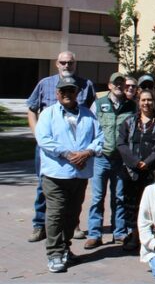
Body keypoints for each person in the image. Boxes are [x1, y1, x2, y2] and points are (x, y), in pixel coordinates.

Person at [35, 76, 103, 272]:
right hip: (56, 174)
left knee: (73, 215)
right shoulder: (48, 114)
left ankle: (65, 248)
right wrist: (67, 153)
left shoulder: (89, 115)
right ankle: (54, 253)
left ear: (77, 93)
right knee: (56, 214)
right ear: (57, 94)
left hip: (80, 175)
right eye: (63, 91)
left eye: (71, 91)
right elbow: (44, 140)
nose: (67, 94)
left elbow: (99, 138)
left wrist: (87, 152)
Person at [27, 50, 96, 243]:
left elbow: (91, 114)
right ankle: (39, 225)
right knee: (44, 186)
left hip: (77, 150)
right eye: (63, 63)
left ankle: (72, 225)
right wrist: (38, 135)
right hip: (49, 148)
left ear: (75, 64)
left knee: (74, 188)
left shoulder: (86, 85)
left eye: (70, 63)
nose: (67, 66)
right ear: (57, 64)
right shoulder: (45, 84)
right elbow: (31, 110)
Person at [85, 72, 137, 250]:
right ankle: (94, 234)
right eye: (116, 83)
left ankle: (119, 232)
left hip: (120, 159)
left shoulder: (131, 106)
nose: (119, 86)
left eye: (122, 83)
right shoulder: (99, 105)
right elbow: (90, 128)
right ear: (109, 85)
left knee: (119, 197)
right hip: (101, 157)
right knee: (97, 197)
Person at [117, 89, 155, 250]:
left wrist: (148, 162)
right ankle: (136, 237)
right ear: (138, 102)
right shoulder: (129, 121)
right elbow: (121, 143)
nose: (146, 103)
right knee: (134, 206)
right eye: (143, 100)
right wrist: (135, 162)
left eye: (149, 100)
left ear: (154, 101)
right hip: (132, 173)